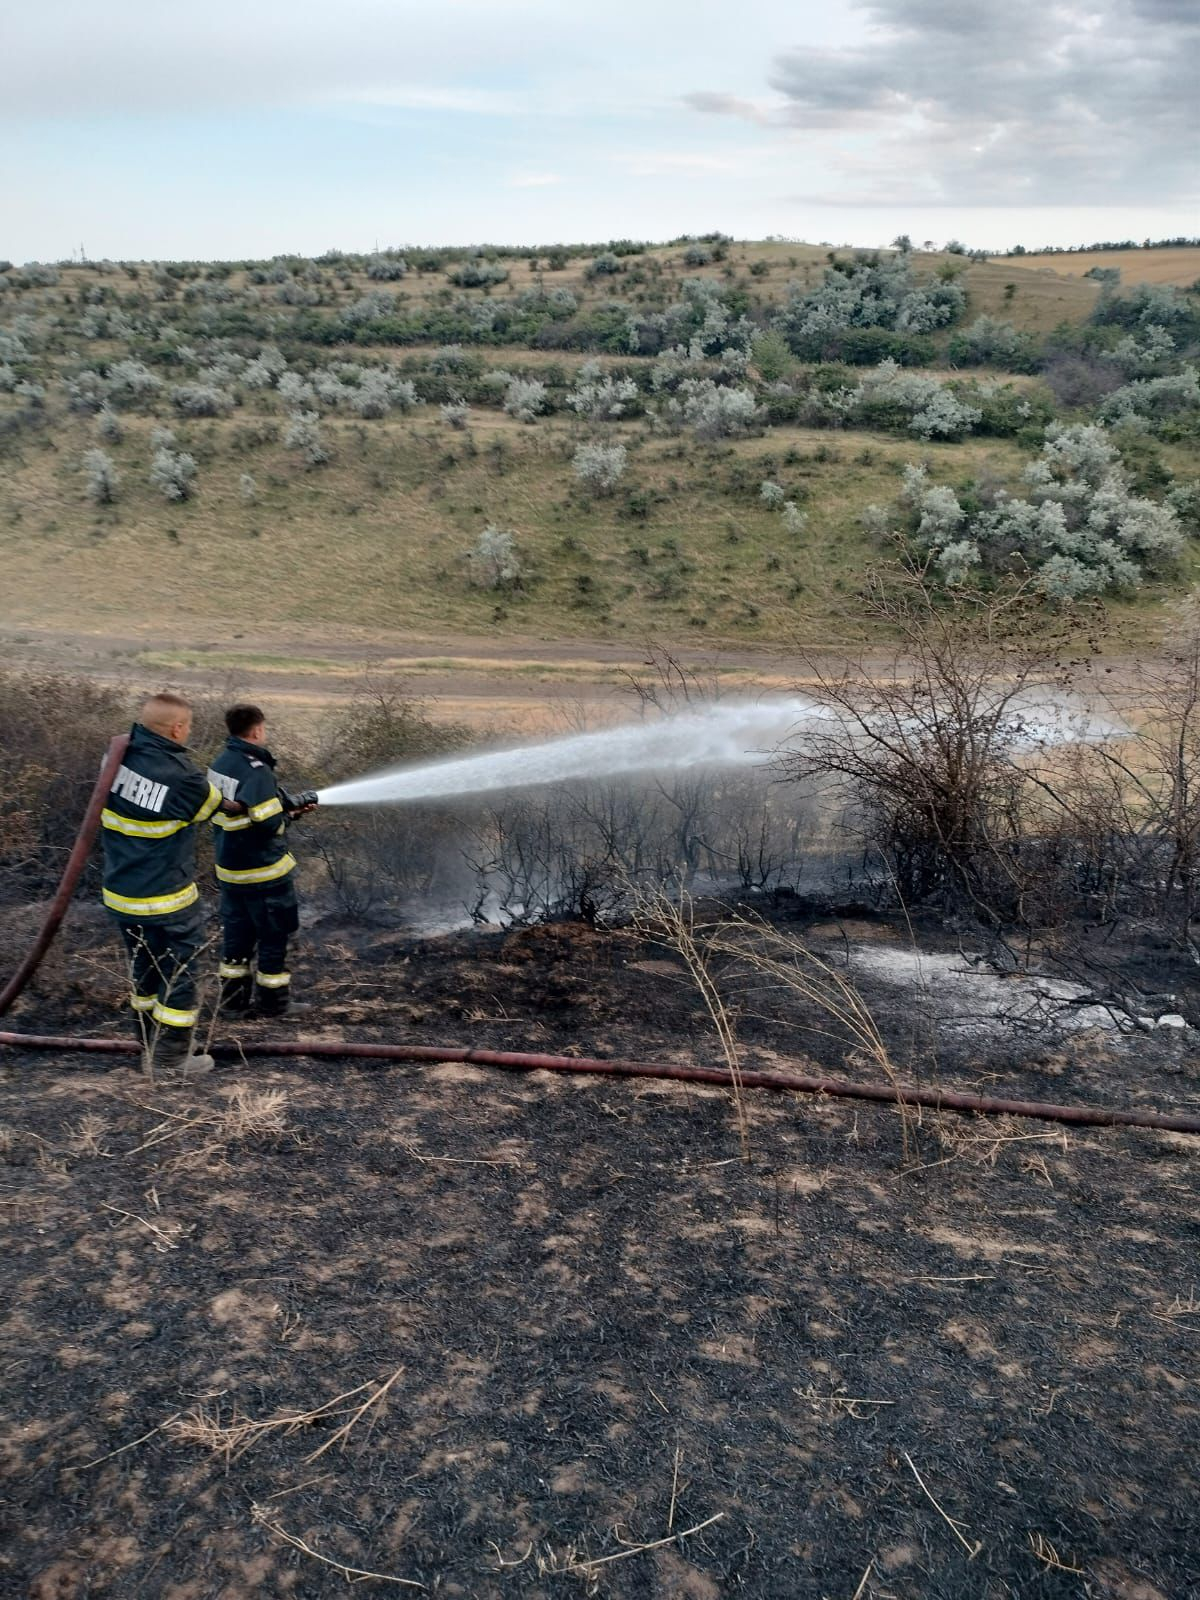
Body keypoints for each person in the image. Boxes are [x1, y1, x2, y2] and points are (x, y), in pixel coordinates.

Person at [101, 692, 222, 1075]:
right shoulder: (182, 776)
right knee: (182, 971)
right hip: (166, 897)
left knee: (144, 970)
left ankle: (149, 1045)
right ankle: (170, 1060)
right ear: (177, 727)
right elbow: (211, 806)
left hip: (121, 892)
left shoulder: (116, 756)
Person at [207, 704, 317, 1018]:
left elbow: (244, 812)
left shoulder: (220, 763)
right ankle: (273, 1005)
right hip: (264, 874)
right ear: (256, 730)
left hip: (231, 873)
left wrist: (286, 807)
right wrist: (290, 811)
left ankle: (232, 1003)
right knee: (273, 935)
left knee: (237, 938)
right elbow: (267, 822)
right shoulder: (257, 770)